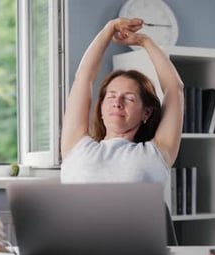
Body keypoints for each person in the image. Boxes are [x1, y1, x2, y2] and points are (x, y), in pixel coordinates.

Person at [60, 18, 184, 186]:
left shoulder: (157, 153)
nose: (117, 102)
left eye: (129, 98)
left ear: (146, 112)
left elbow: (174, 88)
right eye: (111, 96)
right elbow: (83, 78)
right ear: (101, 107)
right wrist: (109, 28)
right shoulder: (76, 146)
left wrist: (145, 41)